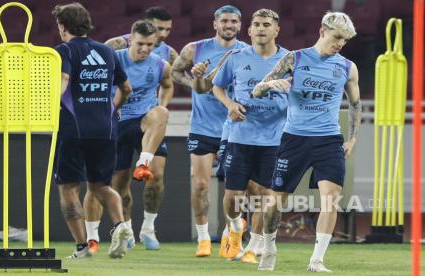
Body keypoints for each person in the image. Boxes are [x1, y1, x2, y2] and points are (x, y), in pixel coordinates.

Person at [252, 11, 362, 272]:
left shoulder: (347, 67)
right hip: (295, 138)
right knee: (275, 202)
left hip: (329, 140)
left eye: (345, 40)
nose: (340, 44)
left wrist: (353, 138)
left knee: (331, 198)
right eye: (337, 37)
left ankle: (317, 260)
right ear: (322, 30)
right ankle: (268, 246)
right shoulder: (295, 58)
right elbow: (257, 89)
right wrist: (271, 84)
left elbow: (355, 105)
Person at [83, 20, 173, 252]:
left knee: (157, 174)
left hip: (145, 121)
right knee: (118, 186)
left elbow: (167, 84)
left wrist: (159, 104)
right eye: (141, 44)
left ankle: (149, 227)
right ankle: (128, 230)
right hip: (116, 122)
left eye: (150, 45)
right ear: (130, 38)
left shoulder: (161, 65)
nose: (145, 49)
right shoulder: (112, 59)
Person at [52, 2, 133, 259]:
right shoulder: (107, 52)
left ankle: (83, 247)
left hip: (74, 128)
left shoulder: (63, 50)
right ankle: (121, 225)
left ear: (62, 26)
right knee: (101, 186)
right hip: (106, 129)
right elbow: (127, 88)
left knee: (68, 188)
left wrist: (47, 103)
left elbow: (64, 82)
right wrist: (112, 109)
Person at [212, 9, 290, 263]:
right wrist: (230, 105)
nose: (261, 28)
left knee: (265, 196)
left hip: (274, 139)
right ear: (249, 30)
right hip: (240, 135)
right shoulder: (236, 57)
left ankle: (254, 247)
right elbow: (217, 86)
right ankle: (235, 226)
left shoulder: (290, 61)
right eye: (256, 24)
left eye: (267, 24)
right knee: (233, 195)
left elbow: (300, 95)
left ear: (276, 30)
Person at [171, 5, 249, 257]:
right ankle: (203, 238)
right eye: (225, 21)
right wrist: (194, 84)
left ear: (240, 25)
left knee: (234, 189)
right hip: (202, 127)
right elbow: (175, 71)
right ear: (215, 23)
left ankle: (230, 237)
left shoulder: (247, 52)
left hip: (234, 128)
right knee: (201, 185)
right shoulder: (195, 49)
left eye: (234, 21)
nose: (229, 25)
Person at [105, 6, 178, 65]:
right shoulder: (117, 45)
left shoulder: (169, 54)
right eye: (159, 28)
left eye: (168, 29)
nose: (163, 35)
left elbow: (180, 75)